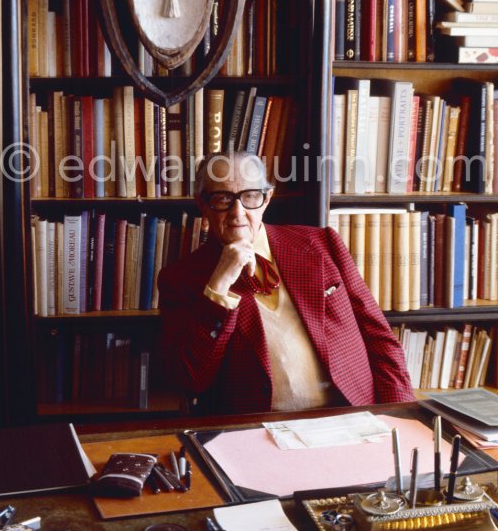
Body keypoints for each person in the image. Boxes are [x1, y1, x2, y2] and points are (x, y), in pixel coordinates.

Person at [159, 150, 414, 414]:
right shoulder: (180, 279)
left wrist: (400, 412)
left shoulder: (322, 244)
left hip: (350, 414)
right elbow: (190, 380)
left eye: (250, 196)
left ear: (267, 199)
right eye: (223, 198)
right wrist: (219, 286)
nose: (238, 212)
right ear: (202, 203)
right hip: (253, 429)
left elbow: (379, 338)